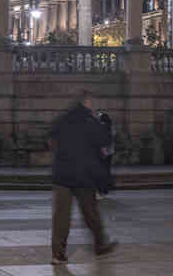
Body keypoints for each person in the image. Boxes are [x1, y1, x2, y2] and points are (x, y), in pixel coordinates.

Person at [48, 90, 117, 265]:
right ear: (87, 102)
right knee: (91, 213)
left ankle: (58, 254)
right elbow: (105, 140)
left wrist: (61, 155)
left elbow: (50, 138)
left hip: (62, 174)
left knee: (61, 217)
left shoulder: (64, 118)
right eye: (92, 102)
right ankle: (100, 244)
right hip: (84, 175)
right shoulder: (91, 120)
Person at [96, 111, 115, 199]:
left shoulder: (101, 126)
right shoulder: (111, 127)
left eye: (99, 116)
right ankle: (106, 189)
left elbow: (101, 139)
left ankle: (101, 190)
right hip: (110, 152)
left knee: (101, 171)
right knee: (107, 170)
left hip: (102, 152)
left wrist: (103, 150)